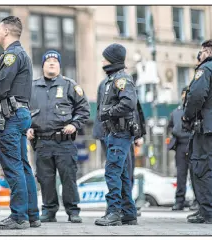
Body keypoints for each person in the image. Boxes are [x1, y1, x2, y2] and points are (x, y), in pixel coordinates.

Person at [0, 16, 40, 230]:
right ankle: (32, 214)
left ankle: (18, 216)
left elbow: (2, 87)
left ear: (6, 31)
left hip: (9, 118)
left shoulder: (11, 55)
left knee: (13, 167)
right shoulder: (20, 54)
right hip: (19, 115)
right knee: (23, 166)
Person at [27, 50, 90, 223]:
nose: (52, 63)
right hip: (41, 141)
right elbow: (23, 111)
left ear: (59, 65)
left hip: (64, 142)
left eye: (55, 61)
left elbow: (84, 110)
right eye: (48, 61)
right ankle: (49, 211)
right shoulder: (32, 87)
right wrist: (27, 127)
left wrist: (74, 124)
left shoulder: (70, 85)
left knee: (68, 177)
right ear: (43, 65)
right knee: (45, 179)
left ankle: (73, 210)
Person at [93, 43, 138, 226]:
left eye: (105, 57)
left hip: (120, 132)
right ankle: (128, 213)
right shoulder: (113, 79)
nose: (102, 61)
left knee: (112, 172)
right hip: (114, 132)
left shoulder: (121, 79)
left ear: (112, 59)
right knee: (122, 174)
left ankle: (114, 212)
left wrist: (109, 112)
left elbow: (129, 102)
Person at [183, 39, 212, 224]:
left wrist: (187, 117)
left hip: (209, 128)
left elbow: (196, 96)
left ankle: (208, 212)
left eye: (200, 53)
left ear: (206, 52)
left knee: (202, 167)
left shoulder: (205, 70)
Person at [167, 87, 192, 211]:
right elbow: (170, 127)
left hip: (193, 144)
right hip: (180, 146)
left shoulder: (195, 110)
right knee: (181, 175)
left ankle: (198, 201)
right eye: (183, 94)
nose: (184, 97)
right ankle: (179, 201)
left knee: (196, 175)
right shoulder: (175, 112)